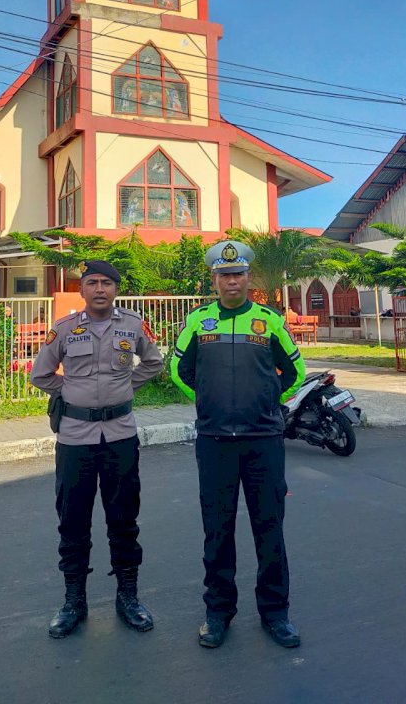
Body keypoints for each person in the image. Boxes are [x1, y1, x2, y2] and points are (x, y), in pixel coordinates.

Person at [170, 240, 307, 649]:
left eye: (239, 274)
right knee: (218, 529)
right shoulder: (198, 322)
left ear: (249, 278)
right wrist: (208, 398)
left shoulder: (269, 321)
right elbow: (180, 370)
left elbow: (295, 372)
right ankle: (218, 613)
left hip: (263, 440)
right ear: (214, 280)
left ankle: (276, 613)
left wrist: (268, 400)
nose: (232, 281)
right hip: (214, 442)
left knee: (269, 527)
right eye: (224, 275)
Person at [31, 260, 163, 638]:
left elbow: (152, 364)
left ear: (116, 289)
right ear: (82, 290)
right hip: (75, 439)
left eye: (107, 282)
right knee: (73, 520)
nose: (100, 289)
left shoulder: (133, 326)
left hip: (120, 436)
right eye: (93, 283)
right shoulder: (65, 329)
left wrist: (126, 386)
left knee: (124, 519)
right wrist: (70, 394)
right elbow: (40, 374)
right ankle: (74, 600)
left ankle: (128, 597)